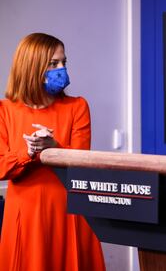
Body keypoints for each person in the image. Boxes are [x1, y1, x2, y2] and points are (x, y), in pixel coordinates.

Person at [0, 33, 106, 270]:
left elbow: (81, 161)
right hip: (25, 214)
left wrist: (53, 148)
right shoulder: (4, 111)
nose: (62, 69)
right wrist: (28, 151)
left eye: (64, 62)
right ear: (31, 67)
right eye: (53, 63)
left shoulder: (77, 107)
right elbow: (1, 167)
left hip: (70, 210)